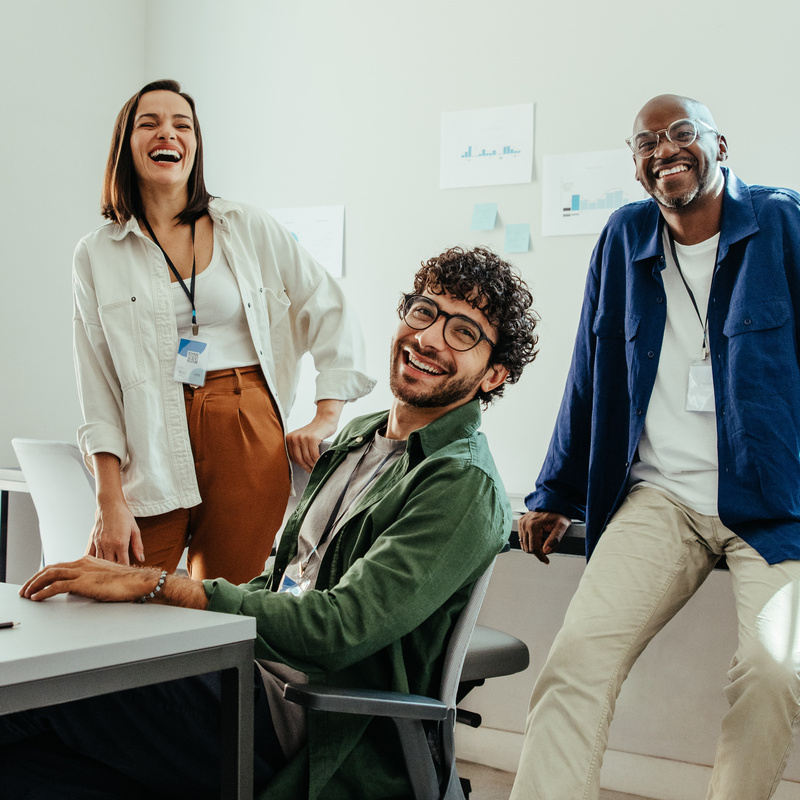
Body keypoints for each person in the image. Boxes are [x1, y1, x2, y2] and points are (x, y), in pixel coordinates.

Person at [1, 246, 539, 800]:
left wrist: (161, 584)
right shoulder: (361, 436)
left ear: (493, 374)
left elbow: (339, 628)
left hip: (309, 727)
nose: (428, 339)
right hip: (248, 675)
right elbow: (281, 582)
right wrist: (153, 614)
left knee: (43, 696)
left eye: (464, 333)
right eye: (424, 312)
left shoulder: (459, 482)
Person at [512, 94, 800, 800]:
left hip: (774, 504)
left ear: (719, 145)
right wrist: (552, 491)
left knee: (774, 673)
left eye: (681, 134)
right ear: (636, 164)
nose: (664, 150)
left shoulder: (783, 221)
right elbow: (592, 367)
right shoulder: (624, 237)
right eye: (647, 142)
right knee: (576, 662)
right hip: (661, 499)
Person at [73, 79, 374, 585]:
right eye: (149, 123)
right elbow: (96, 381)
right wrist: (109, 497)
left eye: (181, 124)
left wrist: (326, 417)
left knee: (229, 604)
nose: (167, 132)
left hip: (245, 423)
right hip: (148, 436)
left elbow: (329, 307)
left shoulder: (246, 226)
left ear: (194, 145)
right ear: (126, 145)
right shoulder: (97, 252)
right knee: (116, 593)